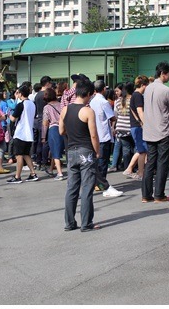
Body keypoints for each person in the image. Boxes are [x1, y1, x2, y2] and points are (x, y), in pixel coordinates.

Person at [60, 79, 101, 232]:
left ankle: (69, 223)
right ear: (89, 94)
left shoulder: (65, 109)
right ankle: (86, 223)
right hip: (86, 152)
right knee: (87, 188)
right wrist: (97, 151)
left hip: (71, 151)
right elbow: (94, 136)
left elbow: (61, 131)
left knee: (72, 188)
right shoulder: (88, 111)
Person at [142, 62, 169, 203]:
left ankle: (146, 195)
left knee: (150, 163)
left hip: (149, 130)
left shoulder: (147, 88)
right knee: (162, 163)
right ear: (163, 73)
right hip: (163, 130)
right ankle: (159, 194)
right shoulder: (166, 90)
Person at [89, 80, 122, 198]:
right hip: (103, 134)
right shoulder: (104, 102)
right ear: (103, 89)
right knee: (103, 162)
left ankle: (97, 183)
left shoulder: (92, 101)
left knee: (97, 162)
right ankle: (102, 185)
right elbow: (112, 118)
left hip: (95, 134)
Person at [6, 84, 38, 184]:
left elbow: (13, 118)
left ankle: (17, 176)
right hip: (29, 133)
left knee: (19, 155)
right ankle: (33, 173)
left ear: (20, 94)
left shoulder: (21, 104)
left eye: (18, 93)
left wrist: (7, 114)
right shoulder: (32, 104)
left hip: (20, 133)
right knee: (26, 154)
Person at [125, 75, 148, 178]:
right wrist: (145, 124)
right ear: (143, 85)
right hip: (138, 126)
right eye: (147, 85)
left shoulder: (134, 95)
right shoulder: (138, 95)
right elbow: (140, 111)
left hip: (135, 126)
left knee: (141, 150)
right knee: (142, 150)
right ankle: (140, 173)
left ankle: (131, 169)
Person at [41, 87, 66, 180]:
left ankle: (59, 173)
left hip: (53, 129)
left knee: (55, 151)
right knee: (55, 150)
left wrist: (43, 136)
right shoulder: (61, 105)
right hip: (63, 128)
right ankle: (51, 169)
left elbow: (45, 123)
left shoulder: (47, 107)